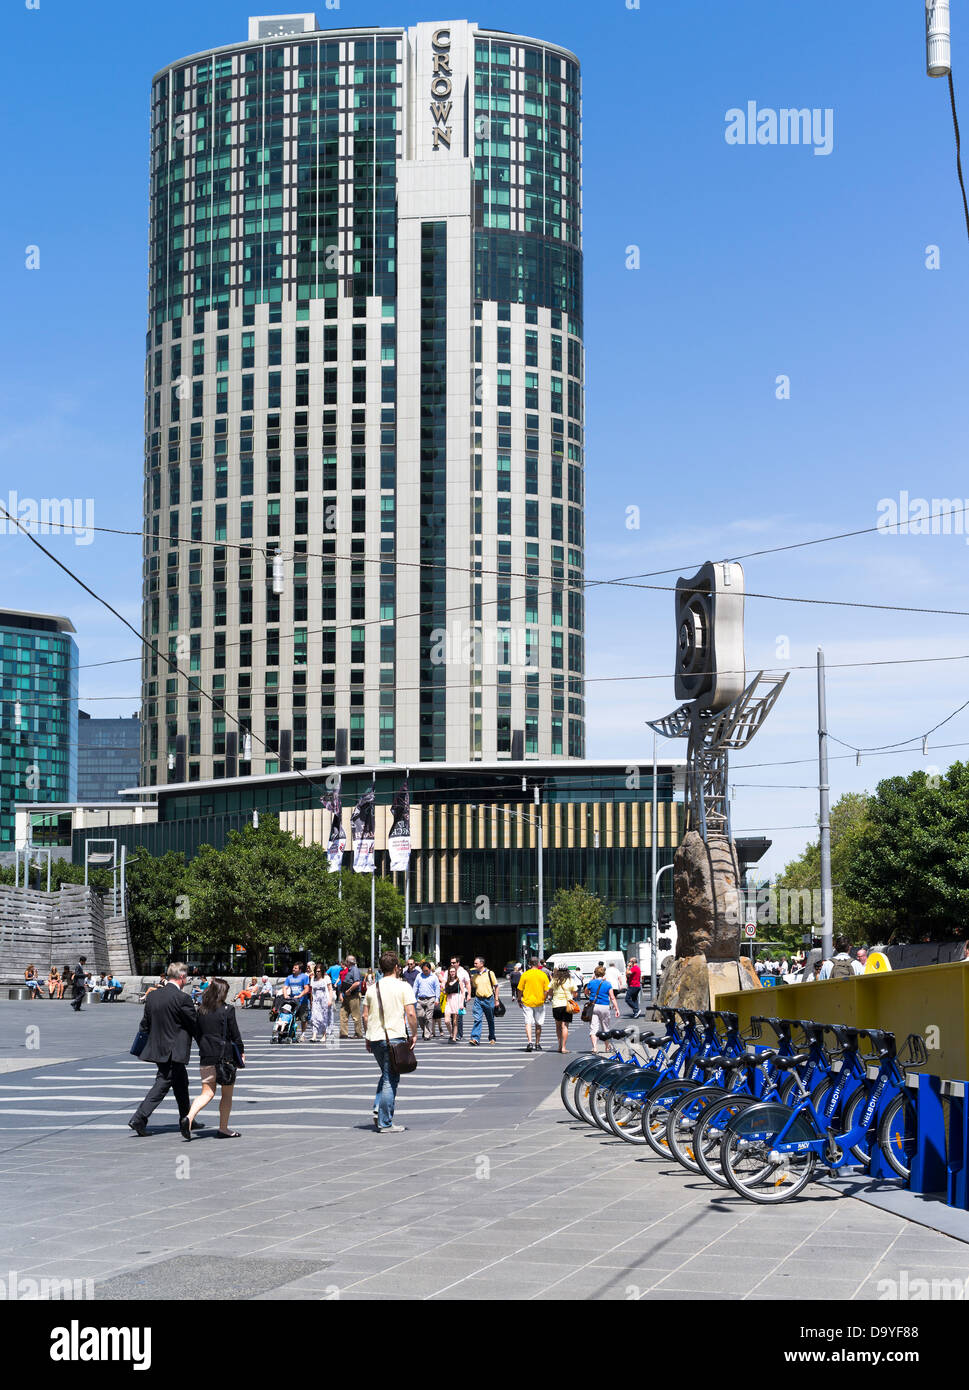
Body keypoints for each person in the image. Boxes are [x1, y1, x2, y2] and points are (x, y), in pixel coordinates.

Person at [128, 962, 203, 1137]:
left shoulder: (153, 996)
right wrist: (205, 1045)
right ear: (182, 977)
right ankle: (139, 1117)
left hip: (158, 1047)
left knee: (181, 1082)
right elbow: (194, 1025)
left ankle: (187, 1118)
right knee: (163, 1083)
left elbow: (145, 1024)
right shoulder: (182, 998)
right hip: (174, 1050)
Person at [183, 977, 245, 1139]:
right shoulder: (227, 1009)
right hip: (225, 1057)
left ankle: (189, 1118)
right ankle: (223, 1128)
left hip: (206, 1055)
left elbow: (197, 1032)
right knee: (227, 1094)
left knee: (207, 1092)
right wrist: (241, 1052)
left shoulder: (201, 1010)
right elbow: (235, 1035)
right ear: (222, 993)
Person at [363, 950, 417, 1133]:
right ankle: (385, 1122)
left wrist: (368, 1036)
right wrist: (415, 1033)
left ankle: (379, 1109)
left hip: (376, 1038)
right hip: (394, 1038)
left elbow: (365, 1016)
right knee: (391, 1079)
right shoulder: (403, 987)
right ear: (396, 967)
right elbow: (410, 1013)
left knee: (386, 1074)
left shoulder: (372, 988)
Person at [516, 958, 551, 1052]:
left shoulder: (525, 974)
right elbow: (547, 990)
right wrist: (544, 998)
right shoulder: (542, 974)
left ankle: (530, 1042)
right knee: (538, 1023)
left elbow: (520, 989)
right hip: (539, 1002)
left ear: (529, 964)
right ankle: (537, 1043)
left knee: (528, 1022)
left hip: (527, 1002)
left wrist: (519, 999)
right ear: (538, 963)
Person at [586, 965, 619, 1054]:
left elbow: (586, 991)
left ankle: (595, 1048)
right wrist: (617, 1009)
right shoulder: (607, 984)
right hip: (604, 1006)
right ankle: (607, 1047)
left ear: (595, 973)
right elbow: (612, 997)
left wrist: (590, 995)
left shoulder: (591, 983)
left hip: (594, 1006)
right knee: (605, 1027)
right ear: (603, 974)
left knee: (593, 1028)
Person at [469, 956, 499, 1046]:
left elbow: (496, 986)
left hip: (489, 999)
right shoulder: (474, 975)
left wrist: (496, 999)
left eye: (476, 963)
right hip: (478, 999)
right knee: (477, 1019)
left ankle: (492, 1037)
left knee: (490, 1020)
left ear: (482, 964)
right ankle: (475, 1038)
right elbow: (474, 986)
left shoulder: (490, 973)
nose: (474, 965)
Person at [548, 966, 578, 1054]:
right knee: (565, 1026)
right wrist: (571, 994)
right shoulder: (570, 980)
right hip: (567, 1005)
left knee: (558, 1026)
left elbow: (549, 991)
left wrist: (552, 996)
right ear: (567, 971)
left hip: (556, 1005)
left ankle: (559, 1045)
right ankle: (564, 1048)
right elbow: (575, 994)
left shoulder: (554, 980)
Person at [283, 959, 312, 1040]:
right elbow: (285, 987)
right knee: (291, 1017)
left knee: (303, 1018)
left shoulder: (304, 977)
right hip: (292, 1001)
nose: (293, 969)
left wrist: (300, 995)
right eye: (293, 968)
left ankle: (303, 1034)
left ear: (300, 969)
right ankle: (292, 1033)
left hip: (303, 1001)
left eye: (295, 968)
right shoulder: (289, 977)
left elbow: (306, 988)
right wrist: (285, 995)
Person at [413, 959, 441, 1040]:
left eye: (426, 970)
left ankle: (427, 1035)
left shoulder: (434, 977)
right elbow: (415, 987)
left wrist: (437, 999)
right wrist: (412, 996)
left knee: (428, 1018)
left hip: (430, 999)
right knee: (420, 1016)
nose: (425, 972)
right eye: (423, 970)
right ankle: (425, 1030)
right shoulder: (419, 976)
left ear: (430, 969)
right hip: (420, 999)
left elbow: (437, 988)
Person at [338, 955, 364, 1038]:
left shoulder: (354, 969)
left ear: (349, 962)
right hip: (347, 995)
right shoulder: (349, 970)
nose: (345, 962)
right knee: (343, 1013)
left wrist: (349, 990)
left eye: (346, 961)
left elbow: (357, 983)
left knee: (355, 1015)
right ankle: (343, 1033)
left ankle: (358, 1033)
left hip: (353, 995)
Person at [309, 964, 334, 1043]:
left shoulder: (326, 978)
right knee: (314, 1017)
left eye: (319, 971)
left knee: (324, 1017)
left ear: (322, 971)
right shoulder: (313, 979)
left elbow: (330, 989)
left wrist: (330, 1000)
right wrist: (311, 1001)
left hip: (324, 999)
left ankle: (324, 1035)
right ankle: (314, 1035)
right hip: (316, 1000)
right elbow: (312, 991)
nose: (317, 972)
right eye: (316, 971)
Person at [442, 964, 463, 1043]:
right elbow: (445, 992)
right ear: (449, 973)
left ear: (456, 972)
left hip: (456, 1001)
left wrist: (461, 1003)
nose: (452, 973)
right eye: (451, 971)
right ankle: (451, 1033)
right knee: (447, 1021)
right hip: (448, 1001)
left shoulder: (459, 981)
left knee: (455, 1021)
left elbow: (463, 993)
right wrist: (443, 990)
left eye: (454, 971)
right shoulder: (447, 982)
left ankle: (454, 1037)